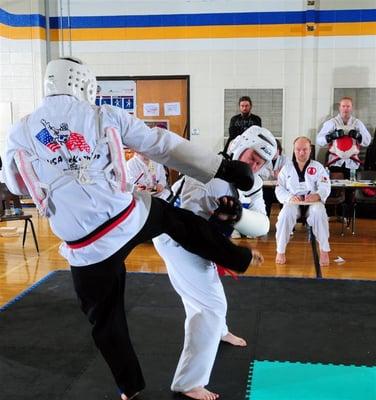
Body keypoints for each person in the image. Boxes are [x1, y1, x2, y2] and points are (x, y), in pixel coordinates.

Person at [3, 57, 259, 400]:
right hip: (124, 219)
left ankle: (130, 388)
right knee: (177, 220)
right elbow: (161, 144)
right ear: (83, 83)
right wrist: (223, 168)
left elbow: (17, 185)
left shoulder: (20, 130)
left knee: (105, 320)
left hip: (84, 246)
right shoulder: (101, 115)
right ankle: (237, 257)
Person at [153, 126, 277, 400]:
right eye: (251, 156)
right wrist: (233, 251)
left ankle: (219, 331)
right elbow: (190, 230)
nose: (254, 164)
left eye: (260, 162)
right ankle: (189, 383)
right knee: (211, 305)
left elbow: (260, 219)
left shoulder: (247, 179)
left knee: (199, 296)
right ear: (238, 147)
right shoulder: (208, 176)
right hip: (178, 240)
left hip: (193, 239)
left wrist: (235, 221)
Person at [275, 136, 331, 267]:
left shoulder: (318, 167)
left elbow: (325, 186)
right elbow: (279, 189)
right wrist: (289, 197)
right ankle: (280, 250)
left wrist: (317, 195)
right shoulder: (286, 168)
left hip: (312, 202)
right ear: (294, 150)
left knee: (319, 213)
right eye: (298, 149)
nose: (301, 152)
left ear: (310, 150)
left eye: (304, 149)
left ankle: (324, 250)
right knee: (284, 215)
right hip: (293, 202)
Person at [316, 97, 371, 218]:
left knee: (350, 191)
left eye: (348, 106)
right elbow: (319, 140)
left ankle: (347, 217)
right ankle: (329, 215)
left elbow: (367, 141)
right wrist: (330, 136)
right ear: (339, 107)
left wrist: (358, 136)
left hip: (352, 162)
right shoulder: (331, 123)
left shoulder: (357, 123)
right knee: (332, 188)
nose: (345, 109)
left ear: (352, 108)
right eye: (343, 106)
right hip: (335, 162)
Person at [259, 139, 288, 217]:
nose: (273, 152)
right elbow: (260, 172)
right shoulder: (263, 158)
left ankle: (285, 225)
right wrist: (273, 173)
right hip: (267, 188)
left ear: (279, 150)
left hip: (281, 188)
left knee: (286, 203)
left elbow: (286, 174)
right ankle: (265, 225)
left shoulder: (285, 159)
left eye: (275, 149)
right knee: (265, 200)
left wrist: (271, 173)